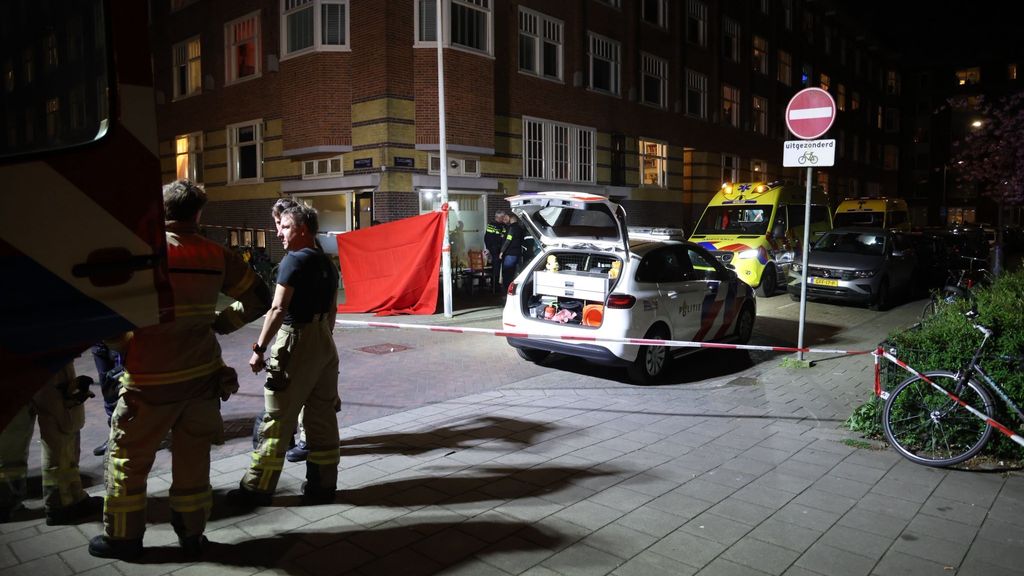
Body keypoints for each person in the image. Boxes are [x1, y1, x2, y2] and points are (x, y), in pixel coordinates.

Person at [88, 179, 271, 560]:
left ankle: (122, 537)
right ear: (198, 214)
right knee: (193, 461)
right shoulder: (215, 254)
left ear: (162, 212)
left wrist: (125, 345)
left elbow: (102, 315)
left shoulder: (141, 256)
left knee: (128, 459)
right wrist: (221, 323)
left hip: (147, 380)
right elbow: (259, 299)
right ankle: (191, 537)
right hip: (201, 377)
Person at [228, 204, 341, 507]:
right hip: (324, 343)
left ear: (302, 228)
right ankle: (323, 485)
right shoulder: (328, 264)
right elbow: (332, 310)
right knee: (322, 418)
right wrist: (324, 343)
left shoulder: (292, 262)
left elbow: (277, 309)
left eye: (285, 227)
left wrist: (259, 349)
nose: (278, 233)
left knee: (277, 418)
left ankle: (257, 488)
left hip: (296, 340)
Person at [0, 363, 101, 525]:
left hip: (7, 359)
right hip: (47, 356)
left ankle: (4, 500)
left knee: (10, 432)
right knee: (61, 426)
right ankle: (64, 501)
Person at [90, 342, 123, 456]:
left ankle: (128, 436)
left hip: (121, 337)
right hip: (98, 341)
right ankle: (114, 436)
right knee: (108, 391)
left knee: (124, 388)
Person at [499, 213, 526, 294]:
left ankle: (506, 291)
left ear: (510, 218)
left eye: (506, 218)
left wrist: (502, 251)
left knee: (507, 273)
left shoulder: (511, 228)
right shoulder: (520, 228)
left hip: (510, 254)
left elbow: (508, 240)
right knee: (515, 273)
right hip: (518, 253)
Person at [483, 210, 508, 293]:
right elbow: (487, 238)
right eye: (502, 217)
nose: (504, 218)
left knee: (504, 269)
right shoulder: (491, 226)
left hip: (503, 251)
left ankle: (501, 285)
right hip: (495, 251)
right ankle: (495, 286)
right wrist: (489, 249)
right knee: (496, 269)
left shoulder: (504, 226)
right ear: (498, 217)